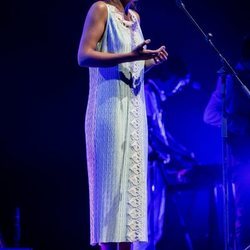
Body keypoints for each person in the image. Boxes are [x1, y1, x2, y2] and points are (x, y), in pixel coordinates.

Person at [77, 0, 168, 249]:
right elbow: (84, 56)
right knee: (109, 192)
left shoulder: (135, 17)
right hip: (108, 110)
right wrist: (132, 55)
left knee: (129, 193)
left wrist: (149, 61)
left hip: (134, 111)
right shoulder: (100, 10)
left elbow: (132, 65)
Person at [203, 36, 250, 250]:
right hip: (242, 157)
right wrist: (236, 125)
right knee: (245, 214)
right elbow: (210, 115)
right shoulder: (232, 77)